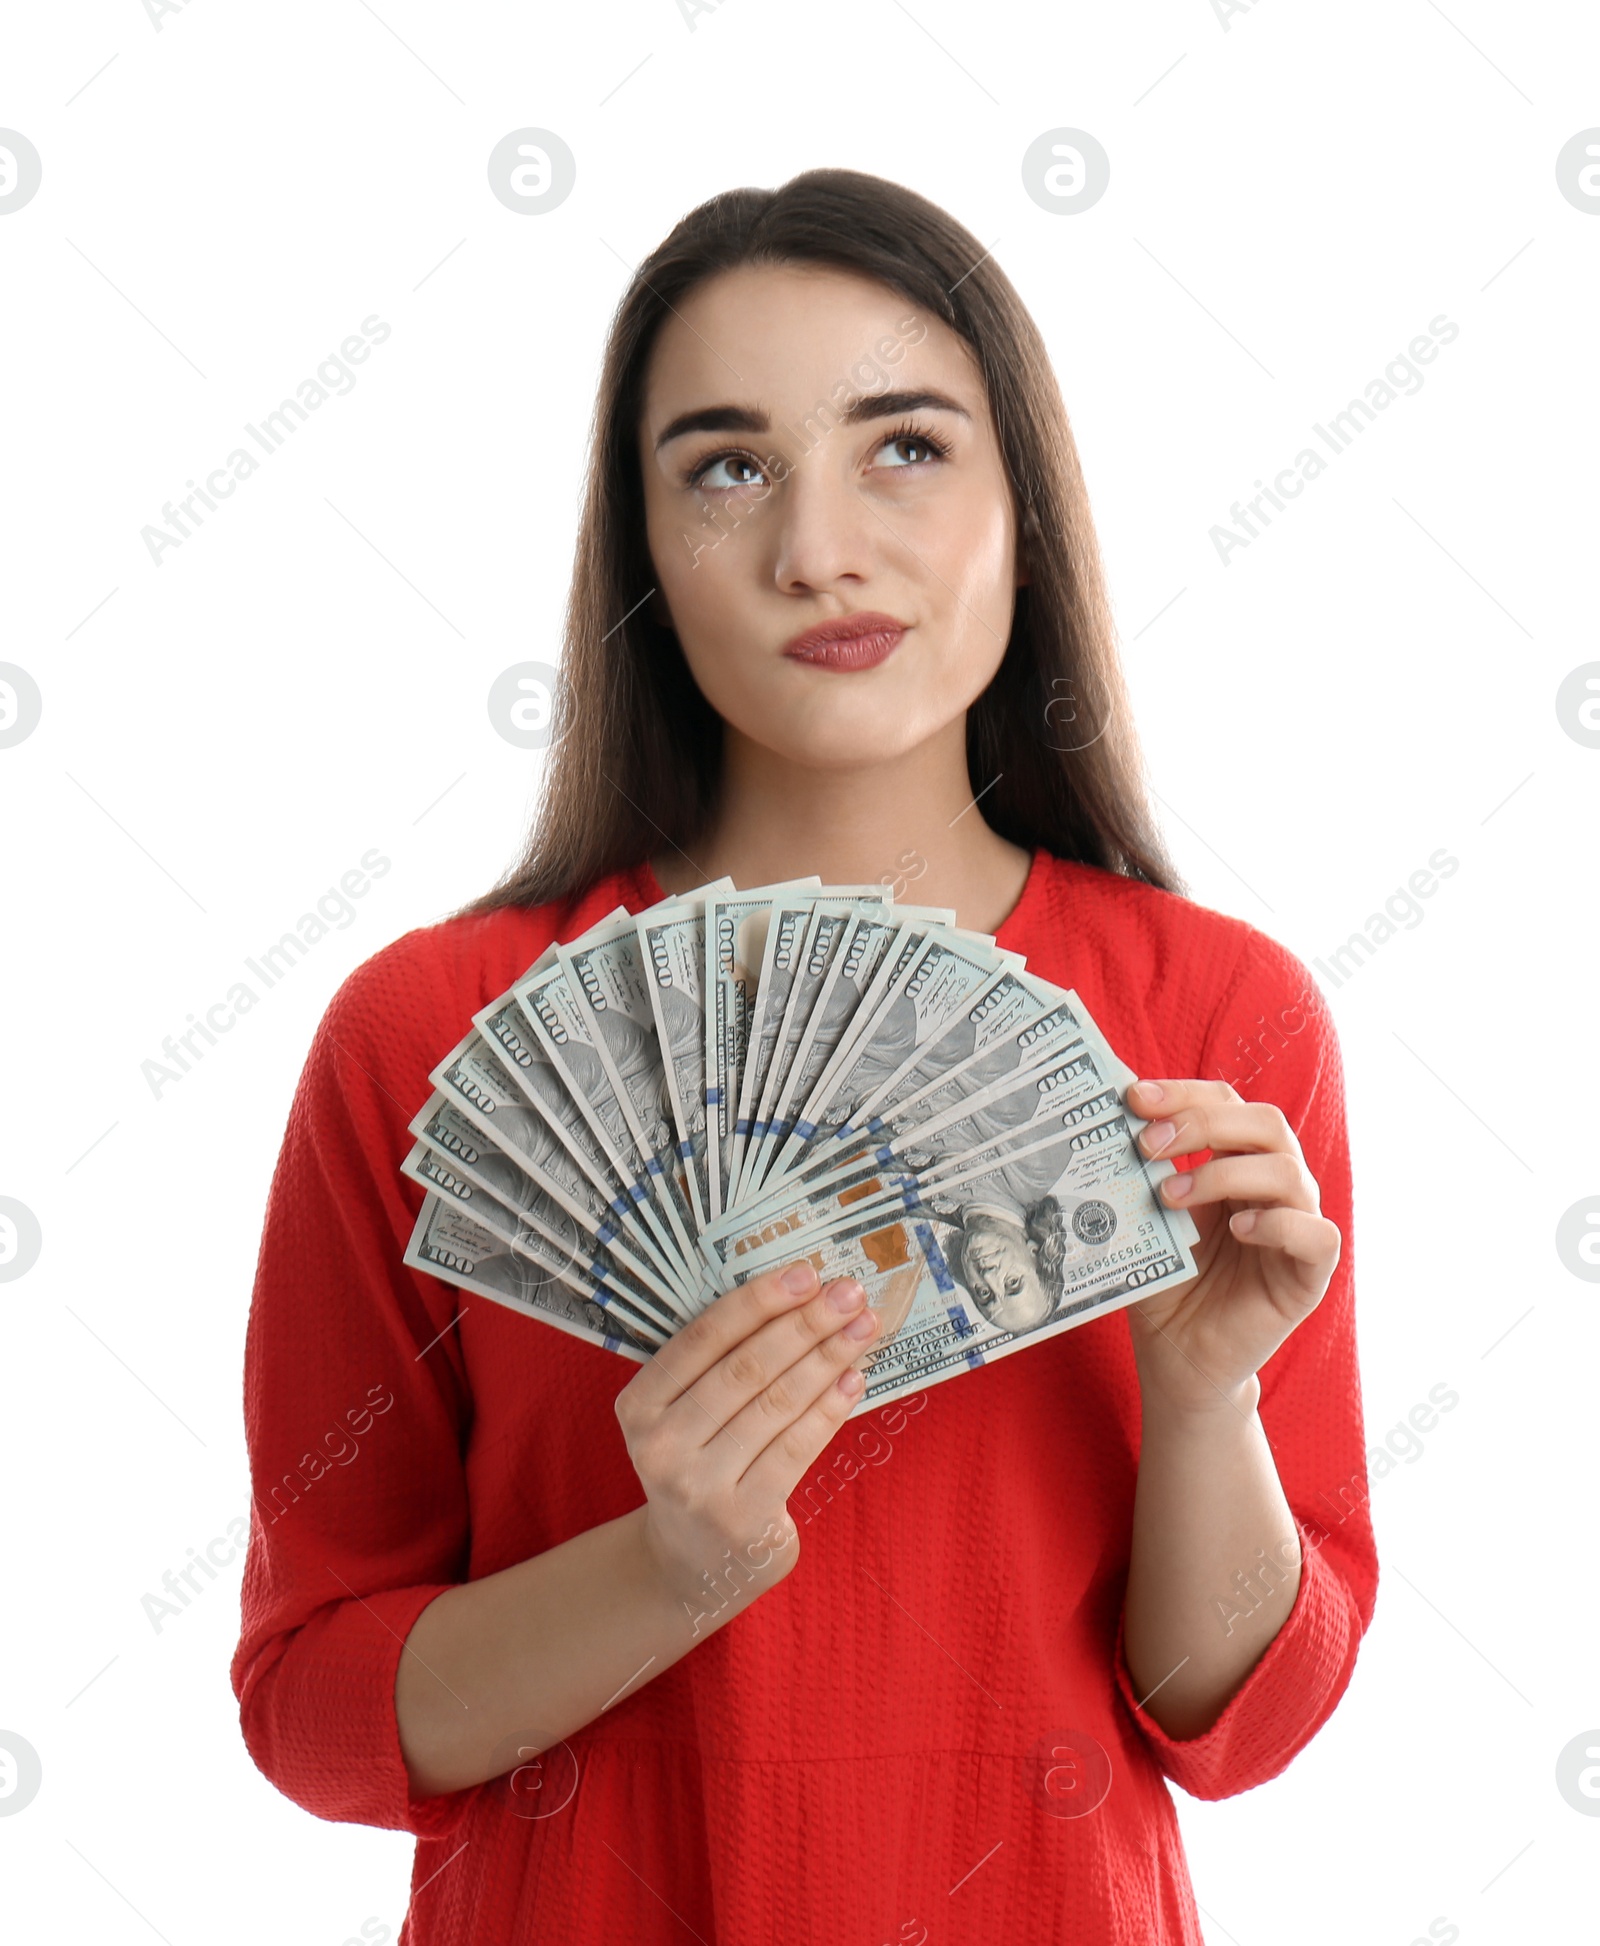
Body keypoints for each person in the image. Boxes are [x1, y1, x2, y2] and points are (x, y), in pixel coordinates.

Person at [231, 167, 1376, 1944]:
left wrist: (1204, 1392)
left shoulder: (1220, 1018)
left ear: (1027, 503)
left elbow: (1243, 1719)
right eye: (728, 466)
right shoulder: (427, 1038)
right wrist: (664, 1565)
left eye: (904, 445)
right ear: (644, 547)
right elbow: (312, 1702)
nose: (817, 550)